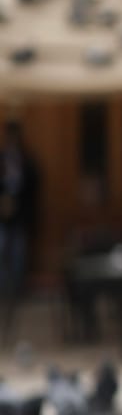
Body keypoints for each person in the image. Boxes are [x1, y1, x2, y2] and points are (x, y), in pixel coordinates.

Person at [0, 120, 40, 341]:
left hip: (20, 217)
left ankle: (17, 291)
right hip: (2, 218)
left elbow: (33, 186)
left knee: (18, 255)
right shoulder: (2, 159)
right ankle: (4, 291)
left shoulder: (26, 159)